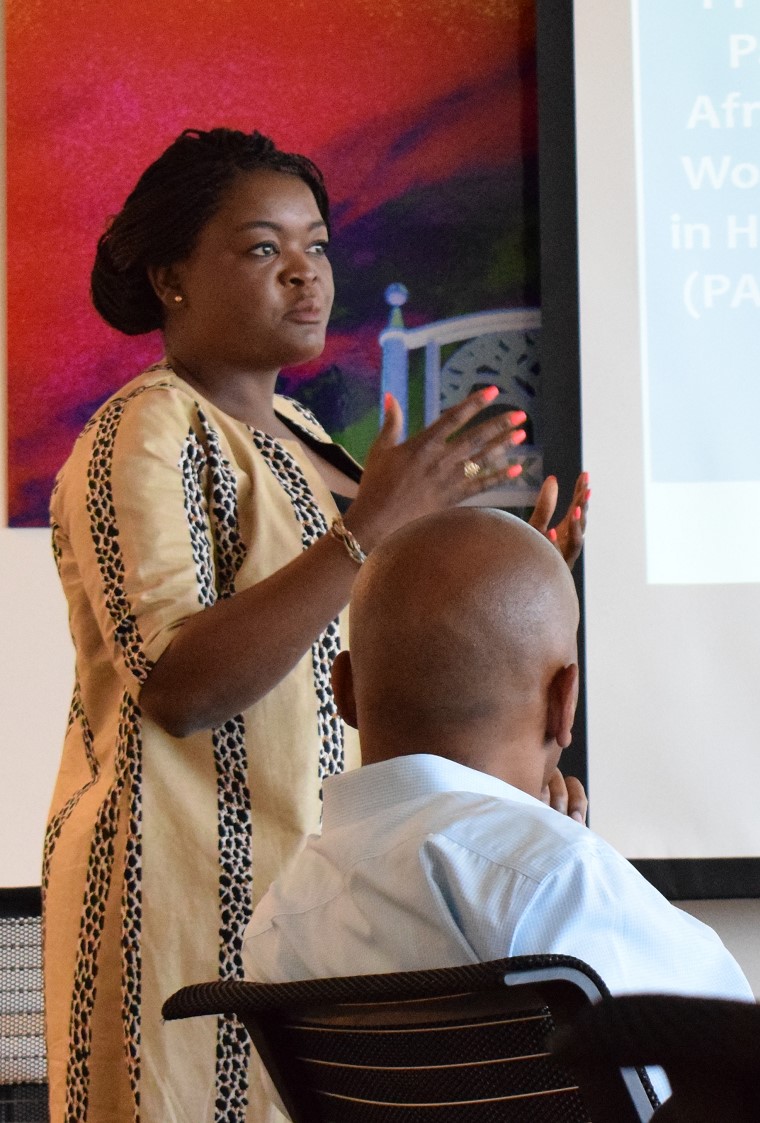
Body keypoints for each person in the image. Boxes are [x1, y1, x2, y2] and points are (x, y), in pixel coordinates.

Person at [43, 127, 589, 1123]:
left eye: (318, 246)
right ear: (171, 277)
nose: (305, 274)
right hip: (179, 893)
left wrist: (519, 580)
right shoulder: (147, 427)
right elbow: (177, 684)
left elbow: (378, 659)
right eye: (262, 248)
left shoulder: (302, 440)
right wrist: (372, 523)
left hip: (306, 901)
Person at [243, 507, 754, 1107]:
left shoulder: (280, 921)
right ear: (566, 701)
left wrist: (535, 844)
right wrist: (546, 853)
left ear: (345, 690)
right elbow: (732, 1075)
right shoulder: (560, 880)